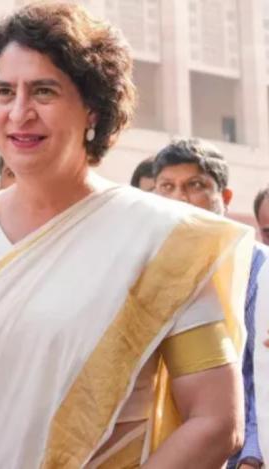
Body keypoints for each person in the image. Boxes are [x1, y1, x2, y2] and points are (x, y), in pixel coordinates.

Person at [0, 3, 251, 467]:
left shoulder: (164, 239)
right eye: (4, 91)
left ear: (93, 110)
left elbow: (217, 421)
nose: (19, 112)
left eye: (44, 91)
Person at [152, 138, 266, 469]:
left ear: (225, 197)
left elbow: (261, 373)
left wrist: (251, 458)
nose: (179, 198)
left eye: (195, 185)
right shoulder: (150, 268)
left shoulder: (258, 269)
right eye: (167, 186)